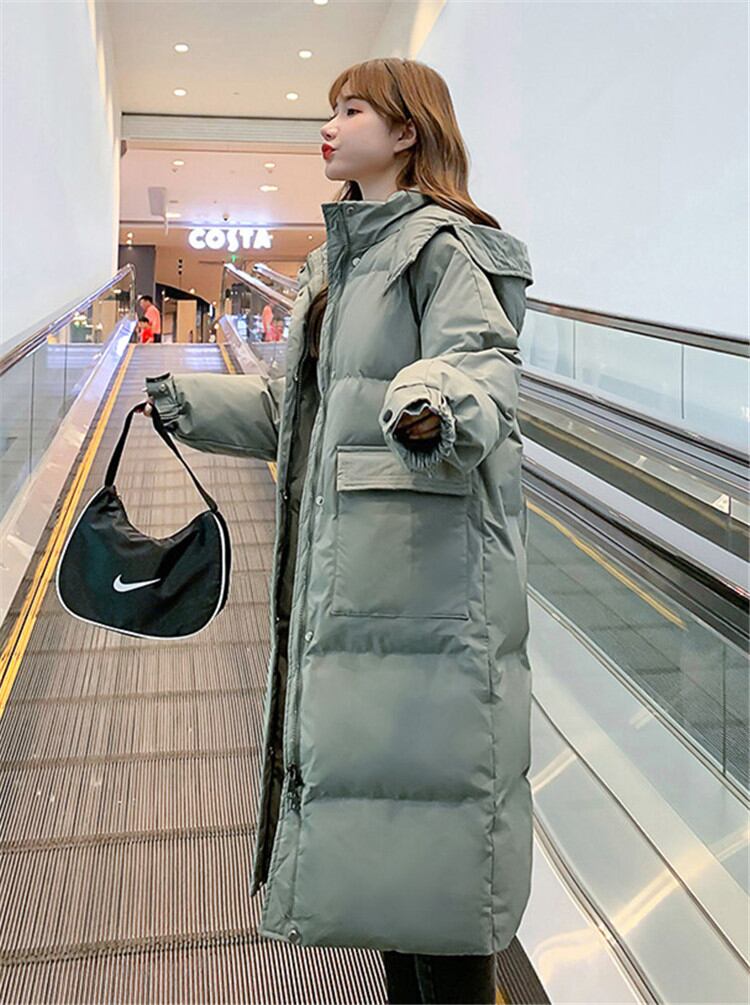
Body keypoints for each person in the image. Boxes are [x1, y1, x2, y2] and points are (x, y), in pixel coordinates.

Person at [139, 57, 533, 1005]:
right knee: (385, 863)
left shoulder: (443, 249)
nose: (328, 126)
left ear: (405, 131)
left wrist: (431, 399)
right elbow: (299, 416)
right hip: (348, 593)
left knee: (439, 857)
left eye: (351, 109)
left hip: (425, 601)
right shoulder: (336, 265)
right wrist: (185, 401)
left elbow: (479, 363)